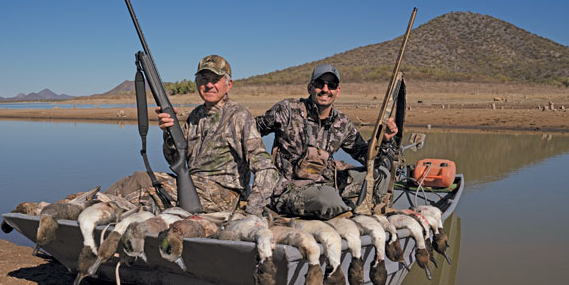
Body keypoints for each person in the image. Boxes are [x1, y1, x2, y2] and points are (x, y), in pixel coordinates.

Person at [256, 64, 398, 219]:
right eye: (319, 84)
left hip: (327, 182)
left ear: (338, 91)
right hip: (289, 189)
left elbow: (367, 157)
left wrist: (383, 140)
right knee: (328, 199)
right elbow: (251, 131)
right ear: (310, 87)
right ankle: (348, 211)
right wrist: (262, 164)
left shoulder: (342, 122)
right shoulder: (287, 110)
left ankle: (354, 207)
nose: (325, 89)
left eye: (331, 85)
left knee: (381, 175)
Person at [156, 55, 277, 216]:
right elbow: (174, 160)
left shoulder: (238, 115)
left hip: (224, 195)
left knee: (144, 186)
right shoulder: (195, 116)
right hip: (194, 188)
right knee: (140, 179)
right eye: (204, 79)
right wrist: (169, 134)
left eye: (216, 79)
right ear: (197, 83)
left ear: (228, 85)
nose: (209, 85)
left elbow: (265, 166)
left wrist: (253, 210)